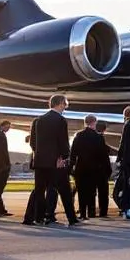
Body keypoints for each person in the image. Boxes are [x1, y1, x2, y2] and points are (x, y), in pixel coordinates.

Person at [27, 94, 79, 227]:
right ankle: (72, 219)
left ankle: (39, 218)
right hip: (56, 162)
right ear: (60, 103)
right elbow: (63, 142)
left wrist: (39, 155)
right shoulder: (60, 120)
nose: (65, 107)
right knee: (65, 191)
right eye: (65, 104)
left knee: (39, 191)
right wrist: (63, 157)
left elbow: (33, 143)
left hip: (40, 162)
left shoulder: (38, 120)